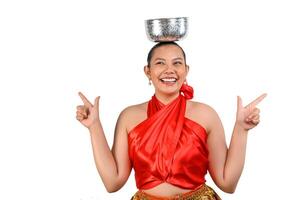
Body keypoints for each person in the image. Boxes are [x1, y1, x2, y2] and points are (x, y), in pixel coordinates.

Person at [76, 41, 267, 200]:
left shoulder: (206, 114)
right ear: (148, 71)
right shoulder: (129, 117)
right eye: (160, 63)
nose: (170, 70)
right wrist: (94, 126)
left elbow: (228, 183)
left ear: (186, 70)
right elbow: (113, 182)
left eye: (177, 63)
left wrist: (241, 129)